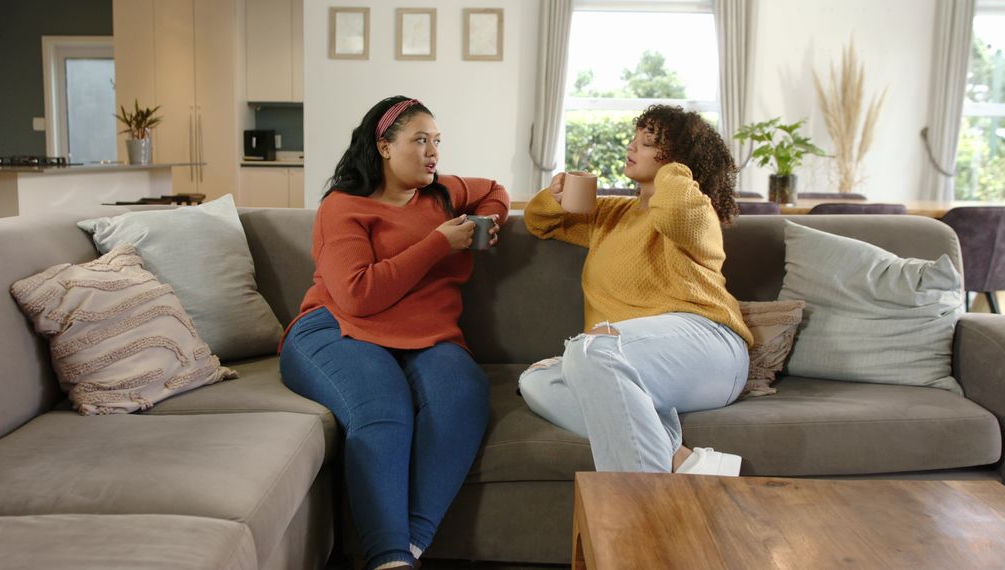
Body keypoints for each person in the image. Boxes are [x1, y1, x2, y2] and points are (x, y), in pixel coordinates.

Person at [278, 95, 509, 570]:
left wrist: (488, 222)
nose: (433, 152)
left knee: (462, 395)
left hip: (426, 334)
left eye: (437, 141)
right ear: (384, 146)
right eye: (420, 140)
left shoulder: (442, 194)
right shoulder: (342, 206)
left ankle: (408, 547)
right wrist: (438, 244)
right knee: (384, 410)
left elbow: (494, 189)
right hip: (338, 328)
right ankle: (388, 559)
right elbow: (358, 294)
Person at [518, 104, 752, 476]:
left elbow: (673, 212)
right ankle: (682, 460)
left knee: (589, 349)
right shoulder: (610, 215)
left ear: (678, 159)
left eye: (648, 142)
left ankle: (640, 503)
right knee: (536, 381)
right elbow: (538, 222)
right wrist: (555, 196)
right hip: (626, 358)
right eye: (635, 138)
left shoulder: (695, 209)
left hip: (710, 346)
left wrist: (675, 168)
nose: (632, 146)